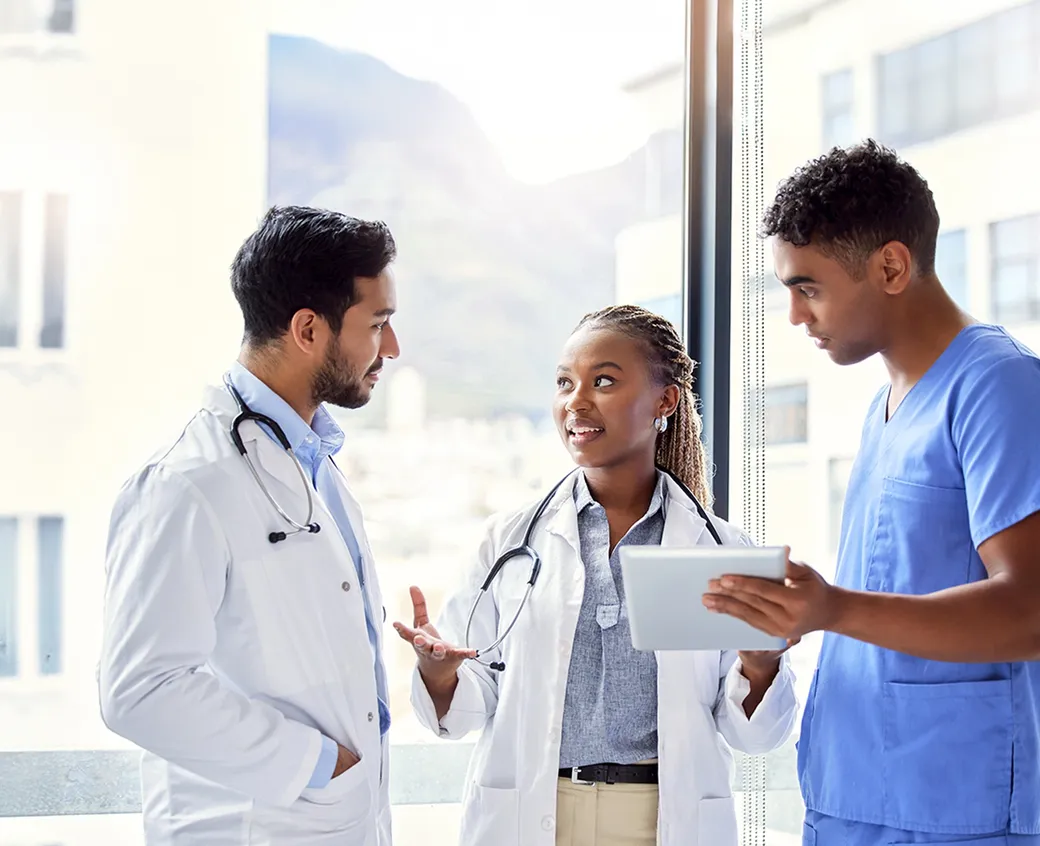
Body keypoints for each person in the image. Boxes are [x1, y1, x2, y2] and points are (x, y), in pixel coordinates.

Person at [703, 140, 1040, 845]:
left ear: (890, 266)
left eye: (809, 287)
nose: (796, 315)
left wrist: (832, 607)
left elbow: (1031, 609)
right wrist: (789, 614)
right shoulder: (885, 407)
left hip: (951, 809)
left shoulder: (998, 386)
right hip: (854, 792)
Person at [394, 305, 799, 846]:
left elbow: (753, 735)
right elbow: (470, 704)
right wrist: (440, 673)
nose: (575, 401)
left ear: (666, 400)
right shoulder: (509, 541)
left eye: (603, 381)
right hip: (535, 815)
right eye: (565, 382)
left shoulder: (722, 550)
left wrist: (762, 664)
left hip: (661, 820)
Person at [97, 206, 400, 846]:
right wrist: (319, 765)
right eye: (378, 324)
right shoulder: (188, 482)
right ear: (309, 329)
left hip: (335, 818)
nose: (391, 349)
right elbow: (140, 690)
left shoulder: (311, 463)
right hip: (249, 827)